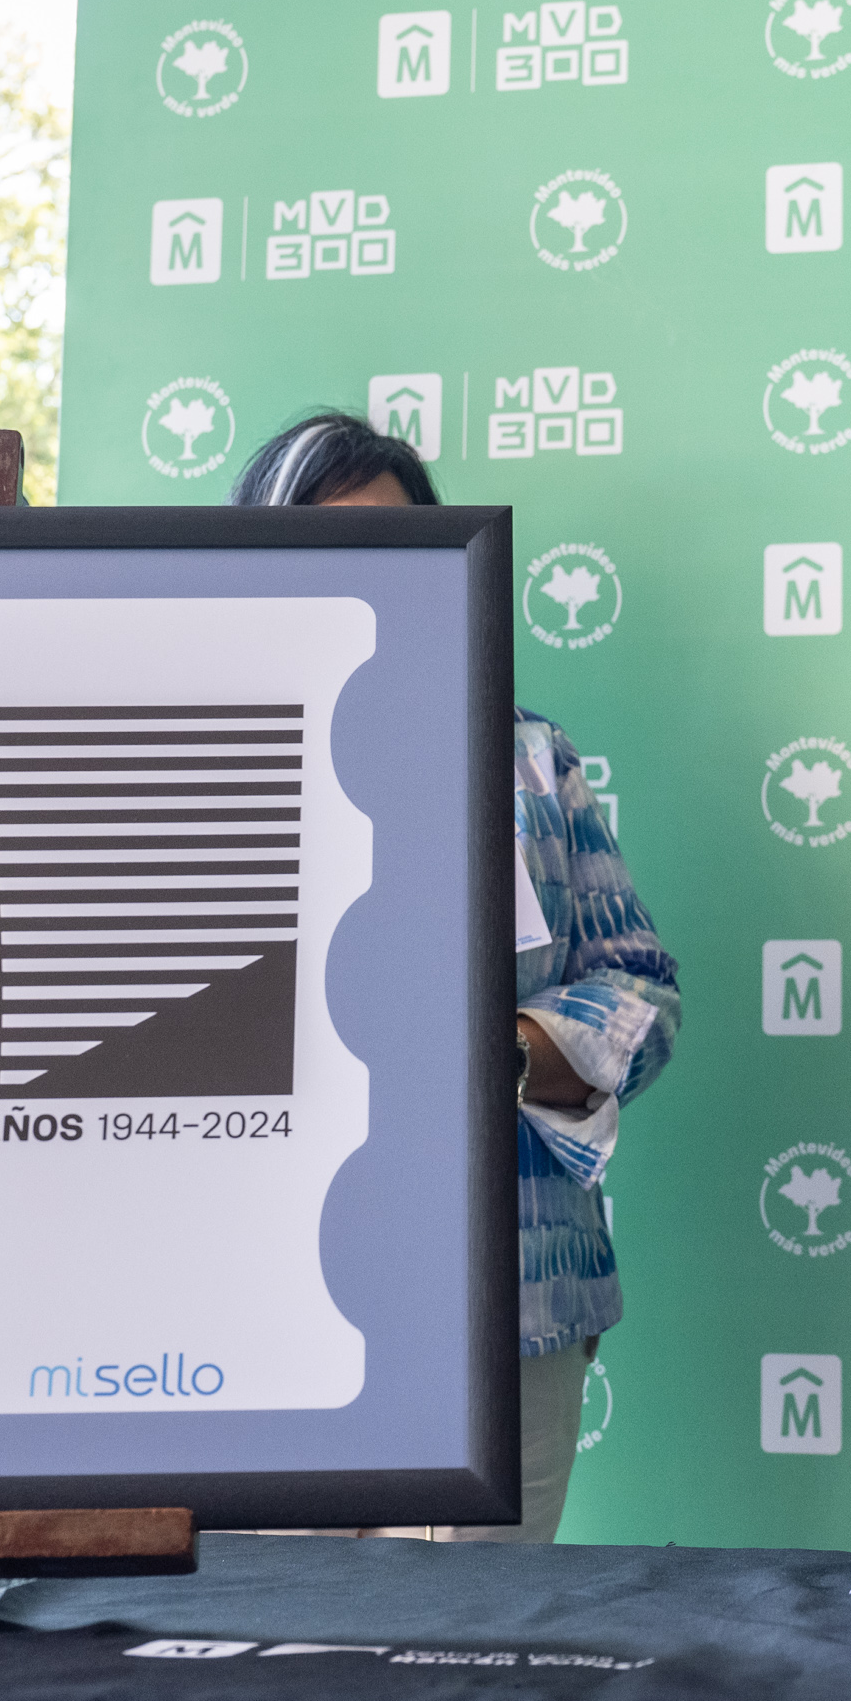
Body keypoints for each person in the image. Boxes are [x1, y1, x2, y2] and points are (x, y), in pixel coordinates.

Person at [234, 411, 680, 1542]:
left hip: (510, 1298)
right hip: (256, 1303)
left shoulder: (527, 755)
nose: (361, 572)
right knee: (252, 1628)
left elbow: (642, 991)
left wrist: (499, 1050)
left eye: (392, 544)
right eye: (319, 544)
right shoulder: (198, 756)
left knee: (472, 1633)